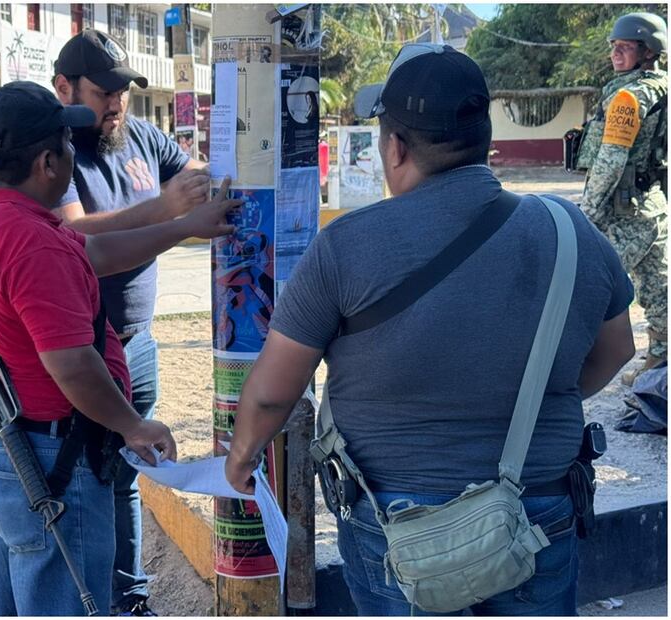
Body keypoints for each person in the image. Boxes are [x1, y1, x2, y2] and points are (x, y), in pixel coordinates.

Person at [224, 44, 637, 616]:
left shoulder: (346, 245)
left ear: (394, 147)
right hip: (537, 512)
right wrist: (525, 398)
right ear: (483, 135)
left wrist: (242, 456)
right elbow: (618, 350)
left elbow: (273, 392)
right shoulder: (572, 232)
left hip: (397, 528)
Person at [0, 81, 240, 616]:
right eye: (67, 145)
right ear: (47, 162)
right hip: (51, 460)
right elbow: (71, 363)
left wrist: (183, 226)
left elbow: (95, 251)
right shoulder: (32, 239)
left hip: (12, 447)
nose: (73, 155)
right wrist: (131, 425)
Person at [51, 29, 212, 616]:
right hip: (81, 349)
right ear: (64, 88)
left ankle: (130, 600)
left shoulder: (142, 137)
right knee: (84, 483)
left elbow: (196, 175)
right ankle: (91, 601)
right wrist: (167, 211)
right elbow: (73, 236)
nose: (116, 104)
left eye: (122, 91)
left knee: (128, 474)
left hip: (137, 343)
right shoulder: (56, 153)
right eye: (103, 92)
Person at [578, 12, 667, 385]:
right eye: (613, 47)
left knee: (586, 286)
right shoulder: (661, 87)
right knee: (658, 288)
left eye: (625, 47)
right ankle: (660, 365)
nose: (615, 53)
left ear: (648, 52)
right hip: (654, 206)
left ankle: (573, 365)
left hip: (624, 212)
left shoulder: (629, 97)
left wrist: (586, 213)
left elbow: (611, 159)